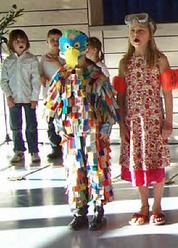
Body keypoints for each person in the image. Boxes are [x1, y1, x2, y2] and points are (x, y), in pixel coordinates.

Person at [44, 29, 119, 231]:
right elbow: (55, 105)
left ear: (84, 49)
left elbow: (108, 104)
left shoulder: (96, 75)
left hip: (93, 132)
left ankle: (97, 210)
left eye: (75, 48)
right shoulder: (61, 76)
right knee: (75, 170)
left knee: (95, 169)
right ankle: (79, 212)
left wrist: (105, 127)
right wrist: (60, 127)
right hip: (70, 133)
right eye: (67, 48)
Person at [113, 13, 173, 226]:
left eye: (141, 30)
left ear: (150, 34)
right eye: (132, 31)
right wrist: (121, 125)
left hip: (154, 120)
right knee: (136, 161)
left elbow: (167, 93)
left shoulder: (160, 60)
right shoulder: (124, 62)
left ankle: (157, 205)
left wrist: (168, 121)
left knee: (155, 162)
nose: (136, 34)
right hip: (133, 122)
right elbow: (120, 97)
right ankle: (143, 205)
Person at [0, 29, 40, 164]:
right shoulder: (8, 61)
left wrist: (35, 97)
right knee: (15, 126)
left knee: (31, 126)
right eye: (16, 41)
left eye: (22, 40)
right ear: (11, 44)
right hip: (14, 99)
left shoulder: (32, 59)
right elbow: (3, 80)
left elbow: (36, 79)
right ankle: (18, 150)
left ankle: (34, 151)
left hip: (29, 98)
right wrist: (8, 95)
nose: (20, 43)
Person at [40, 28, 65, 160]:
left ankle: (64, 145)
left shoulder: (64, 57)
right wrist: (41, 76)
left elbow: (68, 72)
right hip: (49, 96)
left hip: (62, 95)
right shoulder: (44, 58)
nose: (55, 42)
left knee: (62, 121)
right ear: (47, 42)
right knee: (50, 122)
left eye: (58, 40)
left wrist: (57, 62)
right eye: (52, 40)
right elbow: (39, 72)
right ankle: (55, 147)